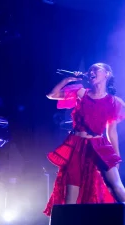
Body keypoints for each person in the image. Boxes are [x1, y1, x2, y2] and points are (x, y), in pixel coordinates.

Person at [44, 63, 125, 216]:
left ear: (107, 74)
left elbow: (111, 131)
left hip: (100, 146)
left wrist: (116, 157)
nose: (91, 71)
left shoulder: (114, 102)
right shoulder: (81, 93)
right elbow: (51, 95)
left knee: (115, 186)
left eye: (96, 69)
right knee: (71, 197)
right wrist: (68, 79)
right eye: (90, 70)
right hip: (77, 146)